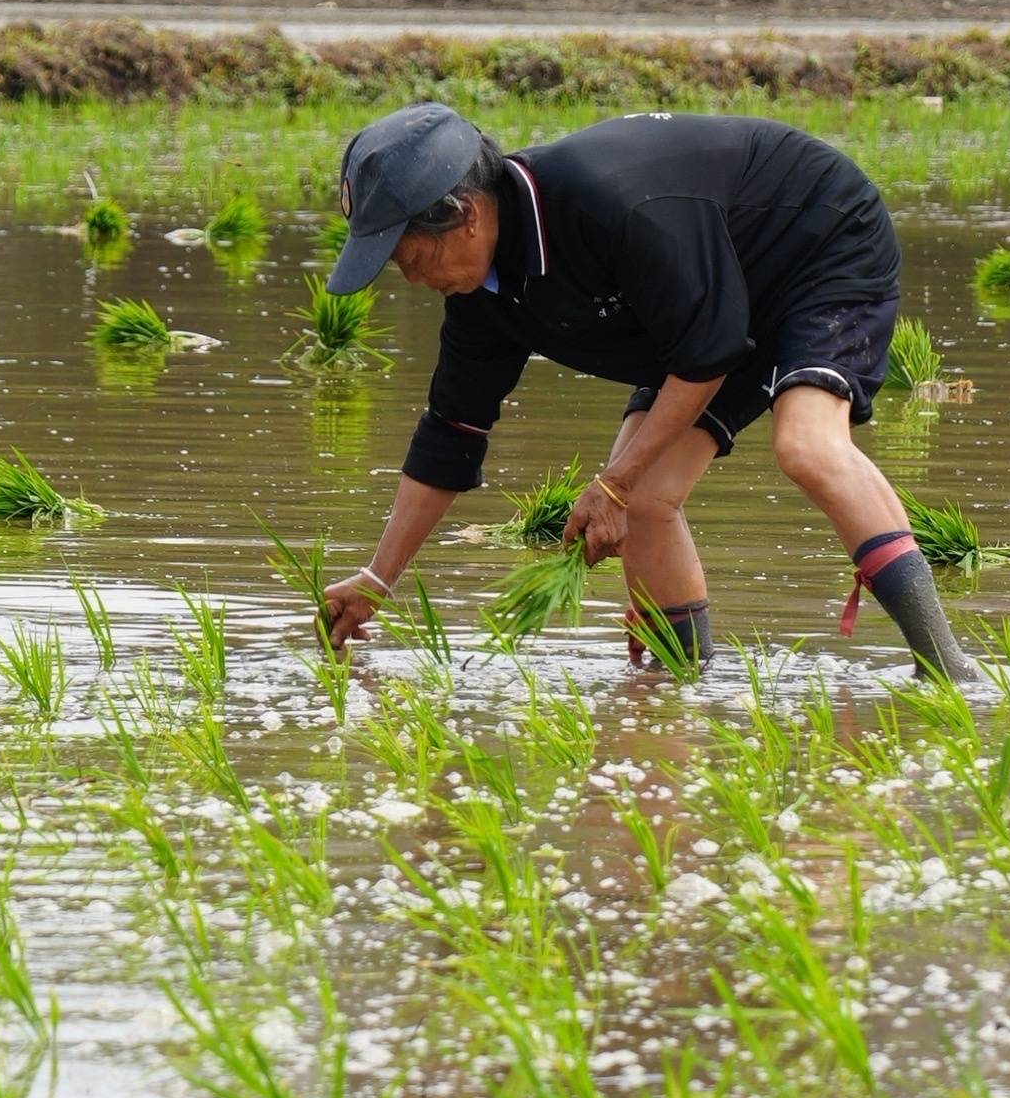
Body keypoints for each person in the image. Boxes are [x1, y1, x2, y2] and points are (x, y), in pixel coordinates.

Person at [316, 102, 975, 683]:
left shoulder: (609, 202)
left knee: (805, 445)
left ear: (461, 216)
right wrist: (377, 578)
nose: (407, 279)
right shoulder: (482, 297)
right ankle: (677, 687)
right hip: (712, 299)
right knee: (651, 502)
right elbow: (450, 434)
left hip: (814, 246)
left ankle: (948, 670)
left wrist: (611, 484)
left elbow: (708, 352)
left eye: (409, 258)